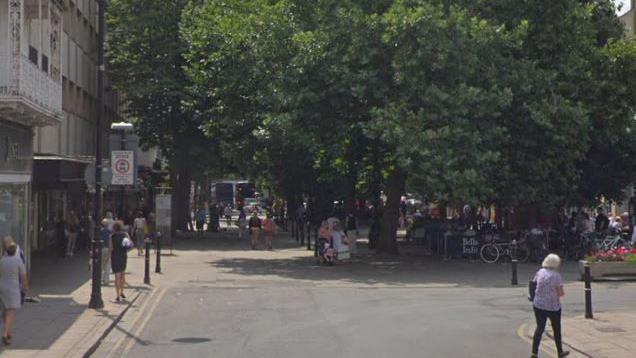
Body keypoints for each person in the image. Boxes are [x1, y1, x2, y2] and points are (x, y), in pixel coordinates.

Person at [531, 254, 569, 358]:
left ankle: (534, 353)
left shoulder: (540, 272)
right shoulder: (556, 276)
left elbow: (533, 284)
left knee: (540, 328)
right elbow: (561, 293)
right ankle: (560, 352)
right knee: (556, 329)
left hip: (538, 305)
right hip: (553, 306)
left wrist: (533, 296)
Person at [0, 237, 28, 345]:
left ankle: (9, 331)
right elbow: (23, 275)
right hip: (13, 289)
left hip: (2, 288)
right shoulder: (18, 261)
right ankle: (5, 334)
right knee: (11, 311)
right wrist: (26, 287)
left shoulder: (2, 260)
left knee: (5, 312)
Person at [109, 221, 130, 302]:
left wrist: (109, 258)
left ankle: (117, 295)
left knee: (117, 276)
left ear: (114, 227)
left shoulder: (111, 236)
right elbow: (128, 246)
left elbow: (111, 248)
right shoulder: (125, 235)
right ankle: (122, 292)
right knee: (122, 274)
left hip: (115, 256)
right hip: (123, 256)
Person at [99, 219, 111, 286]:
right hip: (107, 248)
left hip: (101, 249)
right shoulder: (109, 232)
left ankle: (100, 279)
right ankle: (106, 280)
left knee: (100, 265)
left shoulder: (99, 231)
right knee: (107, 265)